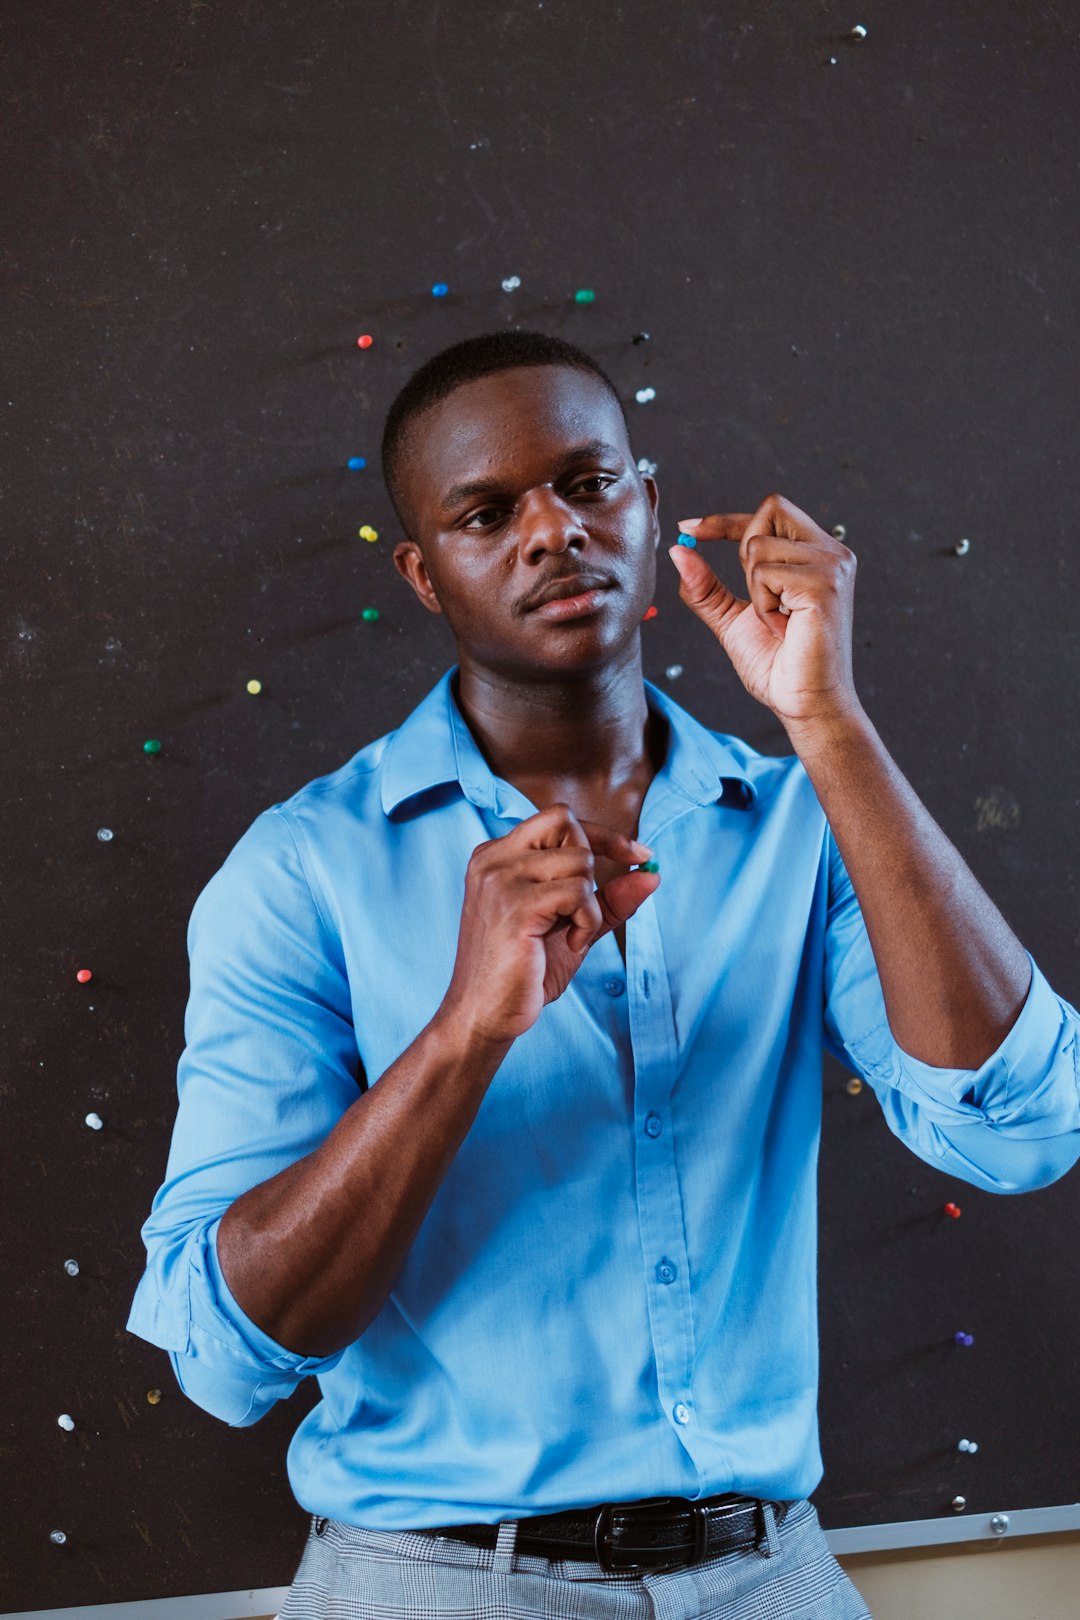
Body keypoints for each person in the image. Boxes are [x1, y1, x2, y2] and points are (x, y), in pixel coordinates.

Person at [127, 330, 1080, 1619]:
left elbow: (1024, 1134)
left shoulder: (807, 823)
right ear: (423, 574)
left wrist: (828, 722)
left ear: (644, 504)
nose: (553, 531)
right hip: (440, 1585)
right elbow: (224, 1354)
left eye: (588, 483)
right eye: (486, 511)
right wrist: (464, 1032)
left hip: (772, 1573)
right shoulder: (301, 872)